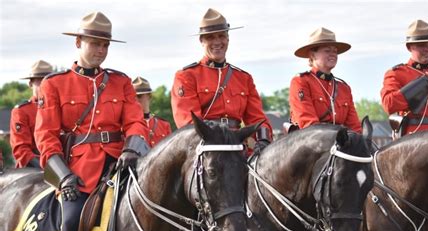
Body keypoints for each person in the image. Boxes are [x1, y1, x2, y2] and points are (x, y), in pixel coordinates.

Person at [34, 11, 149, 231]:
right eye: (95, 43)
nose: (101, 49)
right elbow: (46, 136)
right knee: (72, 220)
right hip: (80, 173)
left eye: (105, 44)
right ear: (78, 43)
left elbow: (135, 122)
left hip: (121, 164)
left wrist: (132, 149)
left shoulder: (120, 82)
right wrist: (63, 177)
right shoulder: (54, 84)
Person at [171, 8, 273, 154]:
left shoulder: (244, 78)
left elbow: (257, 118)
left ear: (228, 38)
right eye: (210, 37)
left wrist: (263, 140)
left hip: (238, 146)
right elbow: (189, 123)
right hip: (204, 148)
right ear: (201, 40)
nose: (217, 42)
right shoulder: (186, 76)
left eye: (221, 36)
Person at [289, 27, 362, 133]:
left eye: (335, 51)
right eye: (327, 51)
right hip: (309, 143)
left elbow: (355, 127)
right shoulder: (301, 82)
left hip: (339, 144)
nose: (333, 54)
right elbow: (308, 124)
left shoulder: (343, 88)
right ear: (312, 55)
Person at [10, 60, 53, 168]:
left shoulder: (61, 108)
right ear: (30, 84)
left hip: (62, 164)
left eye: (47, 81)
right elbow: (22, 150)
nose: (44, 85)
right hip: (35, 169)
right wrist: (49, 168)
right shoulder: (21, 111)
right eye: (40, 81)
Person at [132, 76, 172, 147]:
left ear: (149, 96)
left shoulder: (164, 125)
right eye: (132, 97)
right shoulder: (126, 127)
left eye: (139, 96)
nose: (135, 100)